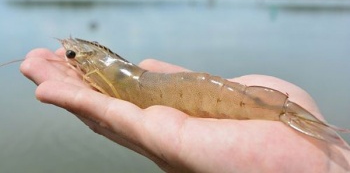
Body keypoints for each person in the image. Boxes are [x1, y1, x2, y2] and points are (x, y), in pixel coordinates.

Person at [21, 48, 349, 173]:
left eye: (74, 56)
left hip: (209, 93)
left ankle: (283, 113)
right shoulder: (104, 65)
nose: (72, 60)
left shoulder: (100, 70)